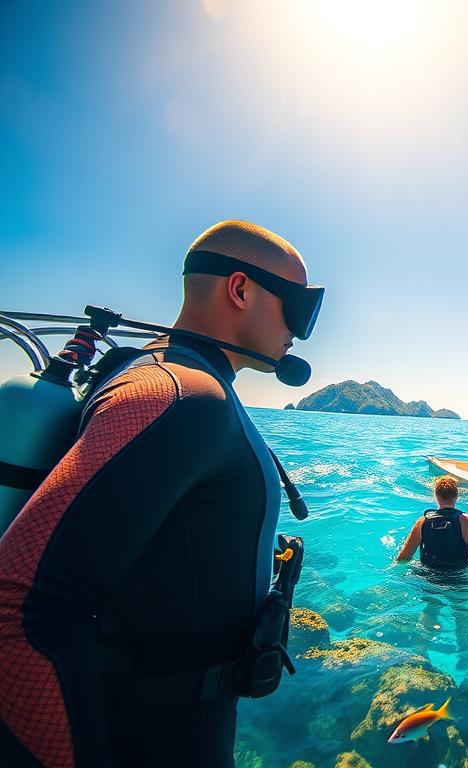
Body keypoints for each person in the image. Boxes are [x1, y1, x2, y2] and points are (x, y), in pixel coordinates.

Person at [0, 220, 324, 767]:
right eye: (300, 307)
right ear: (240, 289)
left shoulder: (177, 382)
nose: (303, 330)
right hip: (151, 738)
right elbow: (18, 607)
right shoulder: (180, 395)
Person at [396, 475, 468, 568]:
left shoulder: (422, 521)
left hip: (428, 577)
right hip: (459, 578)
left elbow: (403, 558)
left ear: (435, 495)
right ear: (457, 495)